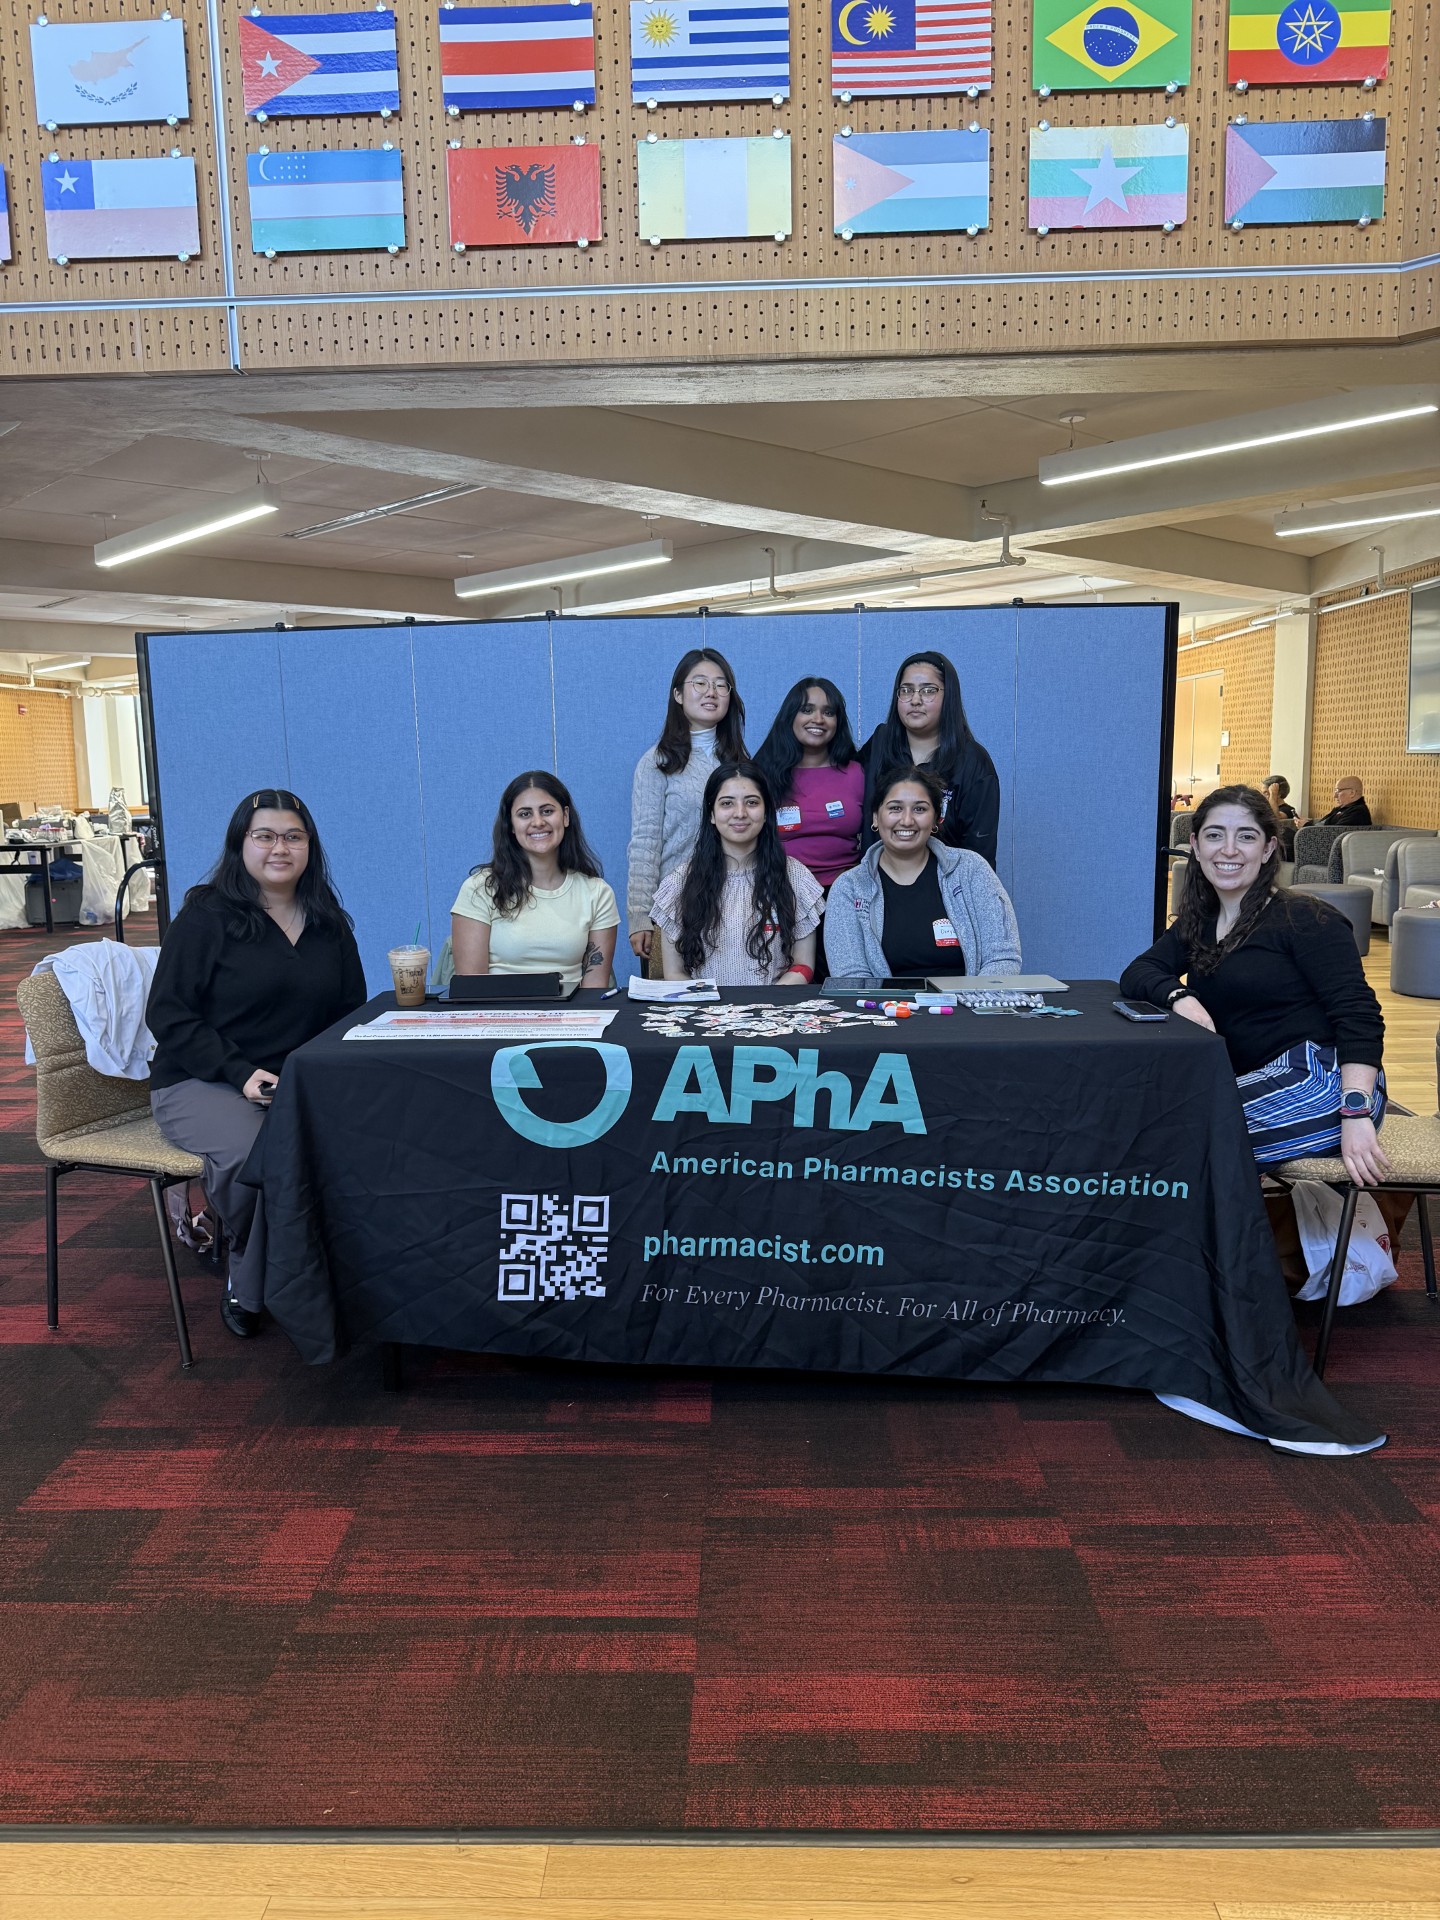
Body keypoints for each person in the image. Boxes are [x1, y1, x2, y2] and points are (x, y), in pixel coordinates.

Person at [147, 789, 367, 1339]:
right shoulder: (206, 914)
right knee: (259, 1157)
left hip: (293, 1083)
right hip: (201, 1079)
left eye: (293, 836)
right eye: (264, 836)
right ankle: (249, 1282)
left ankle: (324, 1271)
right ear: (240, 844)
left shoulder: (328, 922)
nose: (280, 848)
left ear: (310, 847)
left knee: (363, 1139)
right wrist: (241, 1074)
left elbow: (348, 1015)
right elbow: (168, 1014)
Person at [1119, 784, 1389, 1183]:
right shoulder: (1201, 921)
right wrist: (1181, 997)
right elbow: (1139, 972)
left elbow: (1359, 1017)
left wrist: (1354, 1110)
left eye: (1246, 836)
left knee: (1176, 1143)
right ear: (1195, 845)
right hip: (1251, 1079)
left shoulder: (1306, 919)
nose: (1228, 850)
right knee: (1138, 1123)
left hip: (1328, 1081)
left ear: (1266, 850)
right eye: (1215, 835)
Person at [825, 765, 1022, 980]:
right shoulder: (850, 887)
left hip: (967, 1007)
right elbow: (850, 976)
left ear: (937, 819)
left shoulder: (971, 870)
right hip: (886, 1010)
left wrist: (971, 1003)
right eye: (895, 808)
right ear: (875, 817)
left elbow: (1002, 957)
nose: (907, 820)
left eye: (919, 809)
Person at [651, 761, 823, 986]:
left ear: (766, 812)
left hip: (773, 1013)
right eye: (727, 804)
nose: (740, 813)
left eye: (752, 803)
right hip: (704, 1013)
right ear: (711, 814)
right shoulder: (680, 883)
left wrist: (765, 1004)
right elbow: (674, 973)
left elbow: (803, 965)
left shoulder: (796, 877)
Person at [627, 648, 746, 967]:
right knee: (675, 1012)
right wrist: (640, 916)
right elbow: (644, 843)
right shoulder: (658, 763)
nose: (712, 692)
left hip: (736, 909)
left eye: (722, 685)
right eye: (700, 683)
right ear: (678, 694)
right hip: (675, 909)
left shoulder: (742, 765)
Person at [451, 771, 618, 991]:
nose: (538, 822)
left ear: (565, 816)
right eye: (524, 814)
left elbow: (594, 990)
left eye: (547, 811)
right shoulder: (479, 889)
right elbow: (471, 989)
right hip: (497, 1018)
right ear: (510, 824)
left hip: (570, 1020)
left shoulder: (598, 893)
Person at [858, 650, 1000, 867]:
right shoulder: (881, 742)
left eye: (928, 691)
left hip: (944, 890)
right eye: (906, 690)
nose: (915, 700)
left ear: (949, 695)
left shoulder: (973, 763)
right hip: (877, 884)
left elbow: (980, 858)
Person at [753, 676, 865, 888]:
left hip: (845, 892)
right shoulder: (762, 774)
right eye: (807, 710)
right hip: (781, 890)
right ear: (790, 716)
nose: (818, 719)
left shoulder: (857, 773)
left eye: (829, 712)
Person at [1263, 774, 1298, 859]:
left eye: (1266, 793)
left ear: (1278, 794)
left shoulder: (1288, 809)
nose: (1263, 796)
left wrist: (1273, 795)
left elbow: (1275, 817)